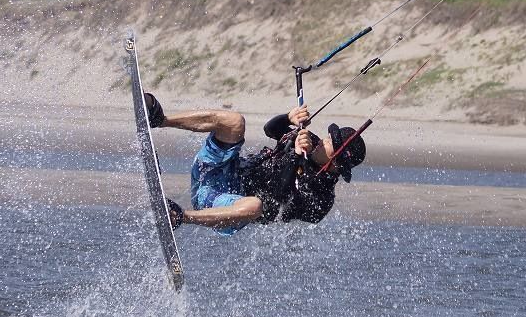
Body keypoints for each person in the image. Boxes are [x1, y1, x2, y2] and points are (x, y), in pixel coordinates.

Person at [145, 93, 366, 234]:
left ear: (336, 163)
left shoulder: (321, 197)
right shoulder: (311, 142)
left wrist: (295, 156)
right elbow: (271, 130)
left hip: (224, 204)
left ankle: (178, 216)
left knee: (255, 206)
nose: (323, 140)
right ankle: (160, 120)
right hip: (223, 168)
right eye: (329, 136)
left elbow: (279, 195)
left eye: (331, 143)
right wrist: (288, 118)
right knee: (235, 121)